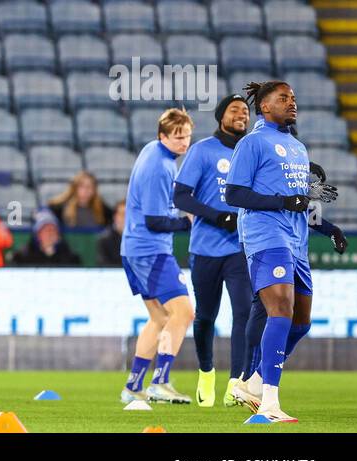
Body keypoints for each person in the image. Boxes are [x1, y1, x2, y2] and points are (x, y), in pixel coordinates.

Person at [224, 81, 338, 423]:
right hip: (266, 236)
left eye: (293, 98)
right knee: (281, 312)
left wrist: (329, 228)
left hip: (297, 241)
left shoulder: (298, 147)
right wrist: (282, 201)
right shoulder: (252, 143)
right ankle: (269, 404)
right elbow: (234, 194)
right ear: (264, 106)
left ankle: (253, 384)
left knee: (301, 323)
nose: (292, 103)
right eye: (283, 98)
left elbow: (299, 202)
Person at [172, 94, 252, 407]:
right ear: (221, 116)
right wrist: (218, 216)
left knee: (244, 312)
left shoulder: (252, 152)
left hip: (239, 248)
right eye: (235, 110)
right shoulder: (203, 150)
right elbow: (181, 197)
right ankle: (206, 372)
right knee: (206, 316)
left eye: (246, 111)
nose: (242, 114)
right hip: (205, 248)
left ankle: (236, 382)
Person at [118, 108, 196, 406]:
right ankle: (160, 383)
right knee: (184, 313)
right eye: (178, 137)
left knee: (160, 317)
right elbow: (154, 221)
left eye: (187, 136)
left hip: (134, 250)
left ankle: (133, 386)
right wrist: (187, 222)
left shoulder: (152, 150)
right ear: (162, 136)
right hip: (150, 250)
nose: (184, 142)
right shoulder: (161, 167)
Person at [10, 211, 82, 266]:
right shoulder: (23, 256)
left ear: (58, 235)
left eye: (53, 230)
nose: (50, 234)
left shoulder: (70, 257)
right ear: (38, 234)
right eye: (46, 230)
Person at [47, 171, 111, 230]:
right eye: (82, 186)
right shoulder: (58, 208)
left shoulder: (104, 211)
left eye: (90, 186)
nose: (86, 190)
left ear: (94, 190)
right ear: (74, 188)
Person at [95, 200, 126, 267]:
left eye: (128, 215)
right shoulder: (104, 239)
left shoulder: (139, 239)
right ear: (115, 217)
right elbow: (103, 264)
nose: (125, 218)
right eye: (122, 214)